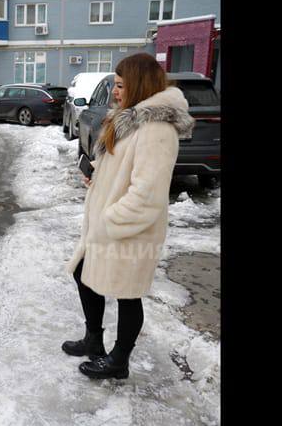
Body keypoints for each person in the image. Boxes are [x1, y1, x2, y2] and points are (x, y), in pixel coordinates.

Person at [63, 53, 195, 379]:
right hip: (111, 223)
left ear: (138, 84)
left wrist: (111, 219)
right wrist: (95, 172)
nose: (115, 91)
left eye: (121, 85)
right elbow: (120, 166)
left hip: (130, 228)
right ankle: (94, 340)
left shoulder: (156, 129)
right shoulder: (129, 119)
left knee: (127, 293)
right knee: (85, 273)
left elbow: (148, 192)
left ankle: (119, 361)